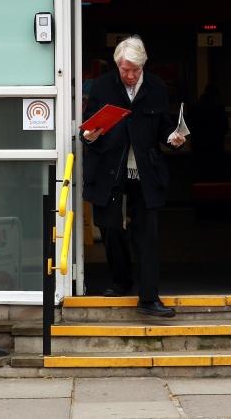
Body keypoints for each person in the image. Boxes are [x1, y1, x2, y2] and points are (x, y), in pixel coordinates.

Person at [81, 36, 185, 318]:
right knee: (110, 226)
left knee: (147, 234)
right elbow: (88, 129)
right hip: (108, 168)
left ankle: (149, 298)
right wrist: (89, 136)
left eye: (135, 71)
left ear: (143, 66)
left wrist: (173, 138)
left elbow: (165, 127)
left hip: (145, 170)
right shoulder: (103, 86)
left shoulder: (156, 88)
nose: (129, 76)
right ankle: (121, 279)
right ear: (117, 64)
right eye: (125, 70)